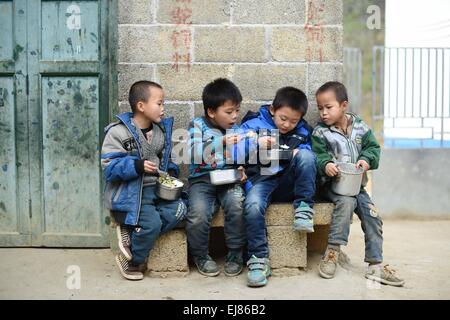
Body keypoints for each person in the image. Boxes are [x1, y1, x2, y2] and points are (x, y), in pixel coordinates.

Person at [312, 81, 404, 286]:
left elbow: (373, 148)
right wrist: (325, 164)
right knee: (346, 204)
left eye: (328, 107)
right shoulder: (320, 132)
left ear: (344, 105)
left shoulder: (361, 127)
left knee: (373, 216)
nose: (323, 113)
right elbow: (317, 155)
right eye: (320, 108)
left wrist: (366, 159)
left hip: (357, 186)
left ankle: (375, 265)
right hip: (332, 186)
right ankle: (332, 253)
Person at [101, 81, 186, 280]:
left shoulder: (160, 132)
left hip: (157, 188)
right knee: (152, 224)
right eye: (159, 103)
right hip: (132, 192)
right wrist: (137, 166)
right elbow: (109, 167)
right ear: (141, 106)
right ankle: (133, 262)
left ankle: (131, 231)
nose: (163, 109)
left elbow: (167, 161)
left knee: (181, 210)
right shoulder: (118, 132)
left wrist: (170, 175)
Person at [240, 86, 317, 287]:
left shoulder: (303, 131)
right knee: (253, 205)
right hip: (262, 180)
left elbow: (305, 157)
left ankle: (303, 208)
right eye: (283, 118)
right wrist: (256, 142)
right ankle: (258, 259)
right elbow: (237, 148)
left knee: (308, 156)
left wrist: (287, 155)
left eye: (294, 121)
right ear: (273, 110)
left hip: (289, 181)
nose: (287, 125)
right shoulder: (253, 125)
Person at [185, 78, 247, 277]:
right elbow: (193, 153)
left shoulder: (237, 130)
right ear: (211, 112)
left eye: (237, 110)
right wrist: (221, 141)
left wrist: (242, 168)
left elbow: (243, 155)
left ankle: (236, 253)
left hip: (228, 179)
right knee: (199, 213)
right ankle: (200, 255)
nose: (235, 116)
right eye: (229, 112)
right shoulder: (197, 125)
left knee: (237, 203)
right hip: (201, 181)